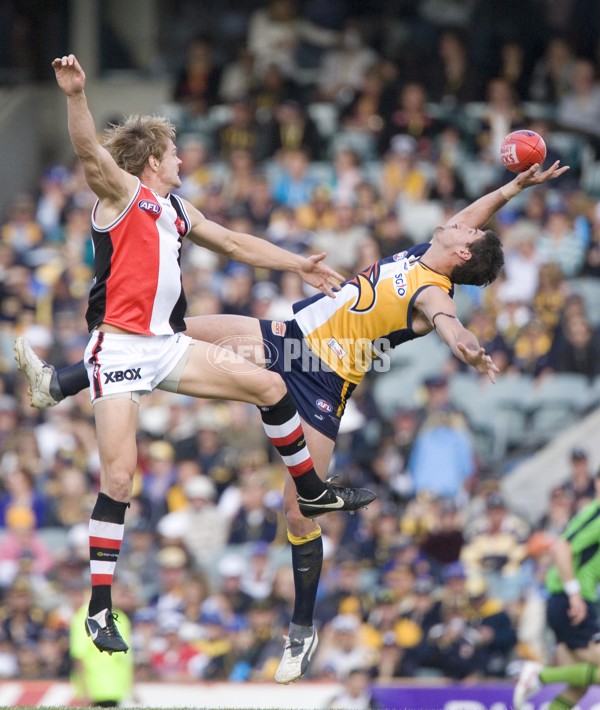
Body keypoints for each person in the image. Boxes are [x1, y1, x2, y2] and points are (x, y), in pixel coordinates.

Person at [16, 112, 568, 679]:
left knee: (299, 515)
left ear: (460, 254)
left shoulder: (432, 288)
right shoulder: (427, 254)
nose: (459, 222)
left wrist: (466, 345)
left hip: (324, 382)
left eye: (466, 231)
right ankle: (60, 381)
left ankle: (302, 630)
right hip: (289, 339)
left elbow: (448, 321)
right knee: (163, 334)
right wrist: (512, 188)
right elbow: (470, 220)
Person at [16, 54, 375, 659]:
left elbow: (235, 243)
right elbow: (87, 151)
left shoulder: (179, 212)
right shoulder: (123, 193)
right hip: (120, 348)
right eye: (175, 153)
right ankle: (99, 609)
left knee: (269, 386)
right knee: (120, 478)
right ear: (153, 161)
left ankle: (311, 488)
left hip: (168, 346)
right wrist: (76, 95)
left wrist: (299, 264)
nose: (182, 160)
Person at [513, 469, 600, 709]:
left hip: (574, 600)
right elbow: (560, 547)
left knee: (579, 685)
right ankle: (539, 676)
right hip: (571, 600)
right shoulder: (597, 514)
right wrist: (574, 594)